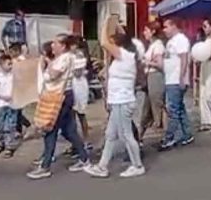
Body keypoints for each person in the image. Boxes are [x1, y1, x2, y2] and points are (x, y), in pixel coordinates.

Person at [85, 15, 145, 178]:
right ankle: (102, 166)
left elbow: (104, 42)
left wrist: (106, 23)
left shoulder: (124, 55)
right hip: (118, 100)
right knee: (111, 135)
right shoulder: (126, 54)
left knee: (126, 135)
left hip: (123, 101)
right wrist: (116, 24)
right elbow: (121, 37)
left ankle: (137, 165)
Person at [27, 34, 91, 180]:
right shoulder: (62, 58)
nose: (52, 46)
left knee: (50, 129)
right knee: (69, 131)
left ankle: (45, 166)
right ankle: (84, 158)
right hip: (60, 96)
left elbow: (54, 75)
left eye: (55, 43)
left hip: (59, 97)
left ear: (62, 46)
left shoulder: (65, 58)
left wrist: (48, 63)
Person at [158, 18, 194, 151]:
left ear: (174, 26)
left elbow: (184, 59)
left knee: (173, 109)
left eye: (166, 27)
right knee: (179, 108)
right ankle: (187, 134)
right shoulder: (170, 42)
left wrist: (181, 78)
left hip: (176, 80)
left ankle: (170, 137)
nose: (164, 30)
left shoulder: (181, 40)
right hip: (170, 79)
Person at [0, 54, 19, 158]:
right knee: (0, 126)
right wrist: (2, 97)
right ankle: (1, 144)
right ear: (2, 65)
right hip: (1, 105)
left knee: (10, 126)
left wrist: (13, 95)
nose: (11, 66)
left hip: (12, 104)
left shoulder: (14, 76)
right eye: (8, 64)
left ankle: (9, 147)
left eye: (11, 64)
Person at [139, 22, 165, 139]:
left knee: (157, 106)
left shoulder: (158, 46)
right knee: (147, 107)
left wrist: (147, 62)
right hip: (150, 77)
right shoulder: (152, 45)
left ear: (153, 31)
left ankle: (164, 133)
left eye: (146, 30)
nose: (144, 33)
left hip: (155, 77)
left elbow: (160, 64)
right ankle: (140, 134)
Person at [70, 37, 92, 150]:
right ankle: (75, 142)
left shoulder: (79, 55)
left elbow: (77, 73)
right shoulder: (72, 55)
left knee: (81, 114)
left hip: (79, 86)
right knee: (72, 116)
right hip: (73, 85)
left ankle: (86, 140)